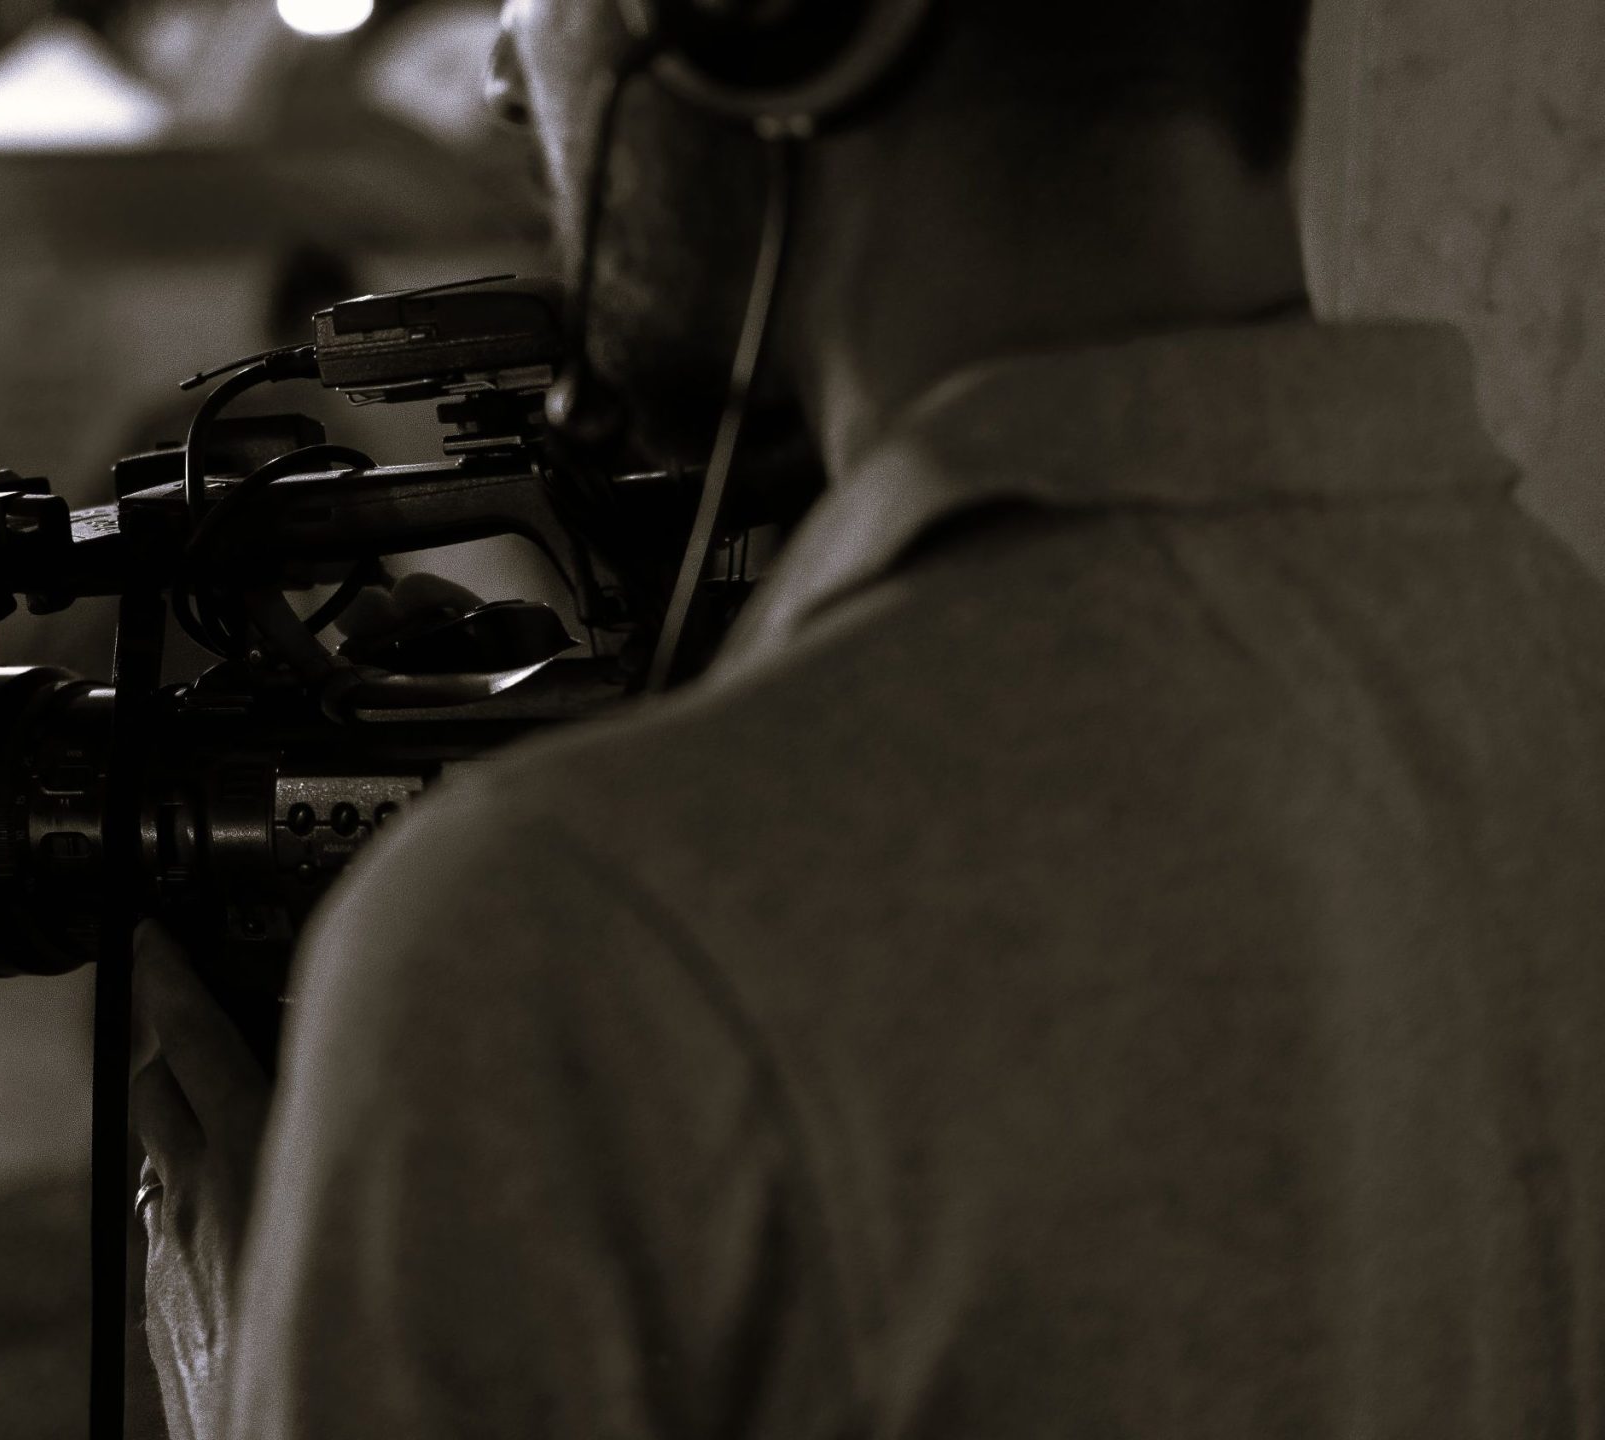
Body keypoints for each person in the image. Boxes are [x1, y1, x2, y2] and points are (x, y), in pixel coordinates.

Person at [127, 1, 1605, 1436]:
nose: (515, 79)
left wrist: (261, 1358)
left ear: (774, 16)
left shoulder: (576, 933)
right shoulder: (1557, 651)